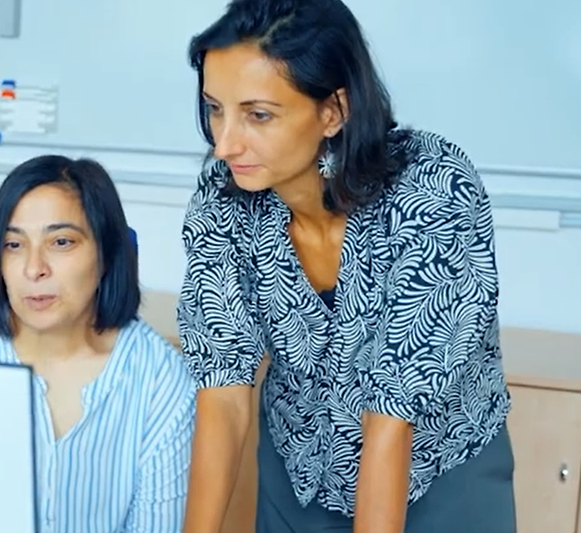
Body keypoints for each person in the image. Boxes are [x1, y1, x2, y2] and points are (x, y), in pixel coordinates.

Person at [176, 1, 515, 532]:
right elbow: (223, 390)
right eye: (216, 108)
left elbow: (391, 422)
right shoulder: (224, 199)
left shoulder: (433, 192)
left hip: (439, 478)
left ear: (334, 110)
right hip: (301, 474)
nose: (224, 144)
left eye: (258, 115)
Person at [0, 155, 196, 533]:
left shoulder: (160, 382)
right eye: (14, 244)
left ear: (105, 253)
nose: (33, 268)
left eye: (61, 242)